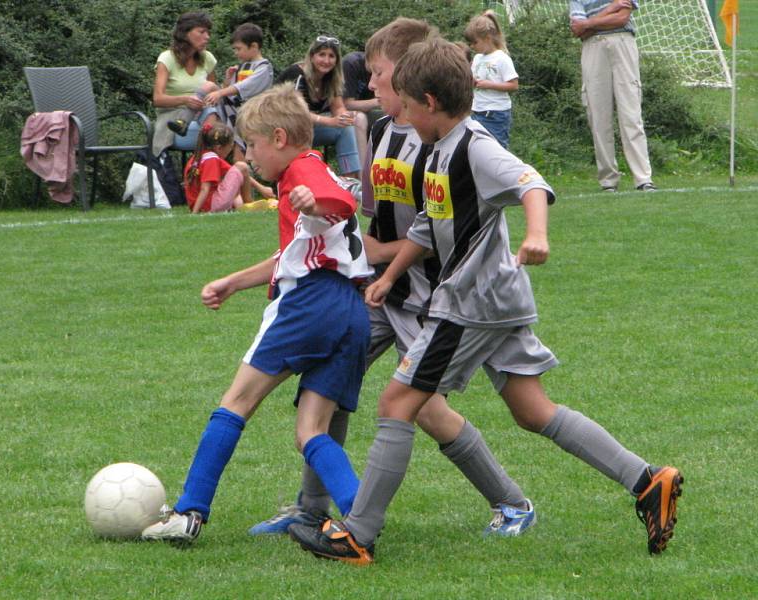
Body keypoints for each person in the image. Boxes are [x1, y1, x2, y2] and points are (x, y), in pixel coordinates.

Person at [288, 37, 682, 565]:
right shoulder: (440, 148)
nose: (402, 113)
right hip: (502, 298)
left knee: (397, 404)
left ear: (429, 101)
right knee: (532, 410)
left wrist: (537, 234)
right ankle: (648, 479)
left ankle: (357, 533)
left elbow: (530, 183)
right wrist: (391, 276)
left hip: (469, 302)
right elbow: (432, 223)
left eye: (407, 102)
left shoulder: (473, 144)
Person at [248, 17, 537, 540]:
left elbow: (434, 226)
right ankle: (311, 508)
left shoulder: (438, 140)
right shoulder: (381, 129)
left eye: (378, 73)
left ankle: (511, 501)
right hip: (378, 287)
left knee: (421, 408)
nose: (370, 83)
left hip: (425, 293)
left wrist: (374, 253)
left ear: (408, 79)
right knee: (329, 379)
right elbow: (375, 216)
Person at [141, 83, 373, 544]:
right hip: (350, 311)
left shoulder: (302, 172)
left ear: (281, 138)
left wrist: (316, 201)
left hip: (310, 305)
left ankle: (189, 513)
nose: (250, 155)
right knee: (310, 431)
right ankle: (359, 526)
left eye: (254, 145)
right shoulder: (307, 170)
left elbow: (341, 201)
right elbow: (294, 254)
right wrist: (233, 282)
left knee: (236, 403)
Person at [569, 0, 657, 192]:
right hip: (592, 47)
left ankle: (643, 179)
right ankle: (608, 180)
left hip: (623, 42)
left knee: (630, 114)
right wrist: (609, 10)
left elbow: (622, 18)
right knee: (598, 116)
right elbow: (577, 30)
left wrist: (589, 23)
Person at [172, 23, 274, 162]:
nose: (236, 53)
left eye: (239, 49)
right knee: (209, 86)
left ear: (254, 46)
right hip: (234, 108)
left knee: (239, 154)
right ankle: (183, 121)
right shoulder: (243, 66)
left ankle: (226, 168)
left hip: (250, 112)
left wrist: (220, 92)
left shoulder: (264, 68)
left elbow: (244, 87)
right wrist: (226, 81)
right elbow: (231, 90)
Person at [277, 36, 361, 179]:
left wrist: (344, 117)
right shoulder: (297, 74)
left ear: (337, 60)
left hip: (308, 129)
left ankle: (350, 180)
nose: (326, 61)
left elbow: (338, 107)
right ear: (312, 56)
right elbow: (297, 112)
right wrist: (330, 121)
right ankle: (304, 180)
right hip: (283, 129)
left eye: (331, 56)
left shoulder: (330, 78)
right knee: (303, 129)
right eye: (322, 55)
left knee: (346, 128)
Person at [152, 11, 222, 156]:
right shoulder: (167, 58)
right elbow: (158, 99)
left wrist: (228, 81)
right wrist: (185, 100)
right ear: (185, 33)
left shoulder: (207, 58)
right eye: (202, 32)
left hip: (202, 112)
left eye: (208, 32)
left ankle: (207, 164)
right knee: (213, 121)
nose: (207, 37)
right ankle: (206, 164)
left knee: (211, 110)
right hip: (173, 113)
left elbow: (214, 96)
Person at [464, 12, 519, 149]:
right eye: (470, 43)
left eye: (475, 42)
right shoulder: (477, 58)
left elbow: (513, 85)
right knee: (476, 148)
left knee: (497, 149)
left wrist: (490, 85)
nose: (472, 46)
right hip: (477, 111)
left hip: (496, 114)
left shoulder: (502, 58)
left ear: (487, 38)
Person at [183, 122, 250, 213]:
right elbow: (204, 189)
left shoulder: (200, 156)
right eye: (230, 148)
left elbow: (236, 173)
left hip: (203, 204)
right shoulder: (211, 159)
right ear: (219, 148)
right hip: (210, 205)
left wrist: (262, 189)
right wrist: (194, 213)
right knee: (242, 166)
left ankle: (241, 208)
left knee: (234, 177)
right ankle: (249, 203)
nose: (229, 152)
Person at [341, 50, 383, 168]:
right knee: (361, 119)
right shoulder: (351, 64)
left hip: (368, 111)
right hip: (341, 112)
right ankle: (364, 173)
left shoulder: (384, 67)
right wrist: (379, 101)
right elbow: (346, 104)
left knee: (388, 117)